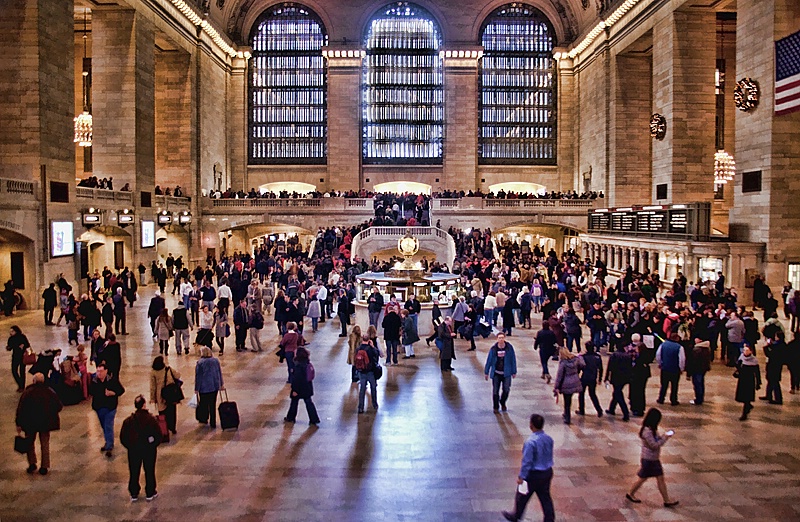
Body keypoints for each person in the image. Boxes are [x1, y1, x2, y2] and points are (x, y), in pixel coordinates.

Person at [502, 414, 555, 522]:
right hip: (547, 471)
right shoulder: (549, 439)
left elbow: (527, 461)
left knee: (521, 495)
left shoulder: (530, 442)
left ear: (531, 425)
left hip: (533, 474)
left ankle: (516, 515)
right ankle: (549, 518)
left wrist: (522, 476)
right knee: (545, 497)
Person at [625, 408, 679, 507]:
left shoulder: (650, 429)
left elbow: (656, 440)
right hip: (649, 460)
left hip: (653, 459)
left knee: (657, 478)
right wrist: (665, 438)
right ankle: (631, 493)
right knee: (643, 478)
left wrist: (663, 436)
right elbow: (654, 445)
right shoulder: (647, 431)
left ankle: (666, 500)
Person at [15, 372, 62, 475]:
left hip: (30, 423)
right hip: (46, 423)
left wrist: (18, 423)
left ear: (34, 381)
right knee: (45, 444)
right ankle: (44, 466)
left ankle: (32, 464)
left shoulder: (28, 392)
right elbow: (59, 406)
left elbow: (21, 409)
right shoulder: (49, 392)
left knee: (30, 443)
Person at [120, 395, 161, 502]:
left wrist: (130, 446)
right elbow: (158, 435)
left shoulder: (128, 421)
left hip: (134, 450)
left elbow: (123, 437)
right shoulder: (151, 420)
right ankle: (150, 492)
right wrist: (152, 445)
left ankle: (134, 492)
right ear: (144, 405)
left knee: (134, 471)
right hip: (148, 450)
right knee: (149, 470)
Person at [89, 362, 125, 458]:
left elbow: (121, 390)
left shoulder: (112, 380)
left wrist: (113, 393)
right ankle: (107, 441)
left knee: (108, 425)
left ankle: (109, 446)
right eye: (97, 371)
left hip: (110, 407)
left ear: (106, 371)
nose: (99, 373)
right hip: (99, 407)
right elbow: (91, 391)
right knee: (104, 426)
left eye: (101, 371)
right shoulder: (94, 381)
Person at [284, 347, 320, 426]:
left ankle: (291, 417)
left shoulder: (298, 366)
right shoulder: (307, 363)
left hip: (299, 388)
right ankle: (314, 419)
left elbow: (297, 379)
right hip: (307, 387)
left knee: (294, 402)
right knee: (309, 403)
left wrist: (294, 390)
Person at [484, 333, 517, 412]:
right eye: (499, 338)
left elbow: (513, 359)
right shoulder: (493, 349)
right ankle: (495, 407)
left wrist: (514, 371)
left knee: (506, 389)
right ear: (497, 339)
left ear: (504, 338)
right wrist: (486, 372)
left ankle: (502, 402)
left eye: (502, 338)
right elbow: (489, 360)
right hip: (496, 373)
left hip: (506, 373)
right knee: (495, 391)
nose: (501, 339)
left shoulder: (509, 348)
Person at [149, 356, 180, 435]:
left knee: (162, 412)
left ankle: (164, 429)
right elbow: (177, 375)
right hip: (171, 393)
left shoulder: (153, 372)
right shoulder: (168, 369)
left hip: (161, 395)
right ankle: (172, 427)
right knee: (172, 411)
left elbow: (153, 387)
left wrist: (152, 398)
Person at [194, 347, 223, 428]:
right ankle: (213, 421)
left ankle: (204, 419)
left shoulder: (200, 363)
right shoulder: (215, 361)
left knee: (204, 404)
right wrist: (221, 384)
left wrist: (196, 388)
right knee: (212, 404)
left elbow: (198, 377)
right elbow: (219, 373)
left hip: (204, 388)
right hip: (214, 386)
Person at [554, 346, 584, 424]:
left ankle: (567, 417)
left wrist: (556, 387)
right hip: (575, 382)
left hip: (566, 384)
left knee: (567, 401)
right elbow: (583, 364)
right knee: (569, 399)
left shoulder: (563, 363)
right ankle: (566, 414)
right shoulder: (576, 360)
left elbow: (559, 376)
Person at [604, 343, 634, 421]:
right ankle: (611, 409)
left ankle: (625, 412)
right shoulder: (628, 356)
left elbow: (609, 367)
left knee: (618, 394)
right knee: (617, 392)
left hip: (615, 377)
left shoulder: (614, 355)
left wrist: (606, 377)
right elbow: (630, 368)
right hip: (624, 378)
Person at [656, 332, 685, 406]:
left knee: (664, 384)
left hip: (665, 368)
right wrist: (681, 369)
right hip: (674, 369)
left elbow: (658, 355)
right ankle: (673, 400)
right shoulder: (679, 347)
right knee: (674, 385)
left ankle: (661, 398)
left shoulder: (663, 344)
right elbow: (681, 359)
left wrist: (660, 364)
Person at [576, 342, 604, 418]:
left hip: (584, 377)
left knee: (581, 394)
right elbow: (601, 368)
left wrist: (577, 376)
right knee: (592, 394)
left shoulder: (583, 357)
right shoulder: (597, 357)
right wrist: (600, 378)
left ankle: (581, 410)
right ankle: (599, 410)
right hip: (593, 378)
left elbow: (579, 367)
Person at [735, 345, 762, 420]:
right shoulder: (741, 358)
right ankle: (748, 405)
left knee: (747, 397)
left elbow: (757, 373)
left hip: (750, 381)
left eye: (747, 350)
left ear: (751, 351)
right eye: (744, 350)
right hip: (742, 380)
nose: (745, 352)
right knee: (742, 397)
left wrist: (758, 383)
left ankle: (745, 413)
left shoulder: (754, 361)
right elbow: (738, 368)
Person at [355, 335, 380, 414]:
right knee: (373, 387)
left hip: (361, 372)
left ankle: (360, 407)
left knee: (362, 390)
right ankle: (374, 404)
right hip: (370, 372)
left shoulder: (358, 349)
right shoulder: (370, 349)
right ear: (369, 340)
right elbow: (376, 354)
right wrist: (373, 346)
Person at [761, 330, 786, 405]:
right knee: (770, 380)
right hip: (776, 365)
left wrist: (767, 346)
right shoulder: (783, 345)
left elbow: (770, 354)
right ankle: (768, 395)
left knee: (774, 381)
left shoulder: (777, 346)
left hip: (774, 365)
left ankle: (778, 399)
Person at [7, 325, 31, 391]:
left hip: (22, 356)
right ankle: (20, 383)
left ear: (16, 331)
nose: (11, 333)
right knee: (14, 370)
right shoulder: (11, 339)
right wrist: (8, 347)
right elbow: (9, 347)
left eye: (12, 331)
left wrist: (23, 345)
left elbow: (27, 344)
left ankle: (22, 386)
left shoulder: (22, 337)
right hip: (15, 356)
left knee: (22, 371)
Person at [688, 339, 711, 405]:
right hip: (703, 368)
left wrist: (689, 373)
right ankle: (701, 397)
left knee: (697, 384)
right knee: (701, 383)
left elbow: (692, 361)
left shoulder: (696, 350)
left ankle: (698, 399)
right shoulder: (707, 349)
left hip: (696, 369)